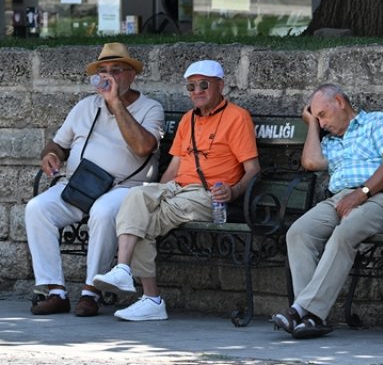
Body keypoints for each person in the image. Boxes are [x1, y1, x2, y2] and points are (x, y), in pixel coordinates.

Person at [93, 60, 260, 321]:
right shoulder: (188, 120)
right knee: (136, 197)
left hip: (208, 195)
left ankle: (151, 298)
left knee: (142, 222)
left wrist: (234, 191)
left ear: (220, 85)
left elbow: (253, 170)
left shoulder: (237, 118)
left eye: (203, 85)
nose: (197, 91)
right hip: (177, 189)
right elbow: (175, 166)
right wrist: (155, 193)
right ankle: (125, 271)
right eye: (191, 86)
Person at [26, 43, 164, 317]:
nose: (108, 76)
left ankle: (92, 292)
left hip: (126, 188)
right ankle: (55, 291)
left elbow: (142, 148)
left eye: (116, 70)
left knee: (103, 211)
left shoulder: (150, 108)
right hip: (82, 185)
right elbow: (57, 144)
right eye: (103, 71)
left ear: (131, 75)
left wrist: (115, 102)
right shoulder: (85, 106)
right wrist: (51, 155)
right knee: (37, 208)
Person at [272, 85, 383, 339]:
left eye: (323, 115)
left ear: (339, 101)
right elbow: (311, 163)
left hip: (380, 199)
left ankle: (303, 310)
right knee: (299, 232)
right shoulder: (331, 140)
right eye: (318, 118)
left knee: (343, 233)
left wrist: (363, 193)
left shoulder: (378, 121)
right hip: (340, 199)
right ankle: (310, 318)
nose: (322, 123)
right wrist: (312, 123)